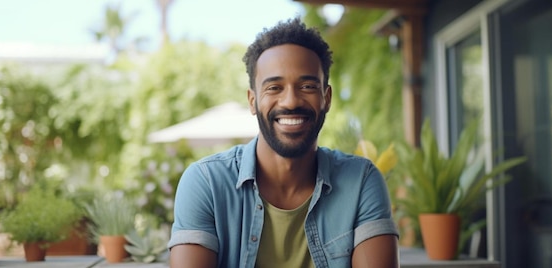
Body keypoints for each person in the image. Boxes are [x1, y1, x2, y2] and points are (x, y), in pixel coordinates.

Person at [168, 17, 399, 268]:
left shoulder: (361, 182)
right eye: (274, 87)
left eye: (307, 85)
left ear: (327, 98)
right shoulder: (206, 183)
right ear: (252, 101)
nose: (290, 101)